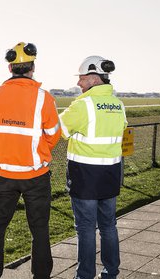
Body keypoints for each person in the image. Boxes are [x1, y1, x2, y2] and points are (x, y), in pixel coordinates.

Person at [0, 42, 61, 279]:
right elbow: (54, 133)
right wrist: (37, 153)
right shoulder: (43, 98)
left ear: (10, 68)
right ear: (32, 67)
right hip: (35, 175)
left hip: (3, 174)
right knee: (39, 230)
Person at [59, 56, 128, 279]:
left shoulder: (83, 105)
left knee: (86, 228)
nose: (79, 83)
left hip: (85, 176)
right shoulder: (118, 104)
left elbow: (60, 129)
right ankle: (111, 273)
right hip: (110, 174)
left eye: (81, 79)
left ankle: (84, 275)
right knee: (108, 226)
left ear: (93, 78)